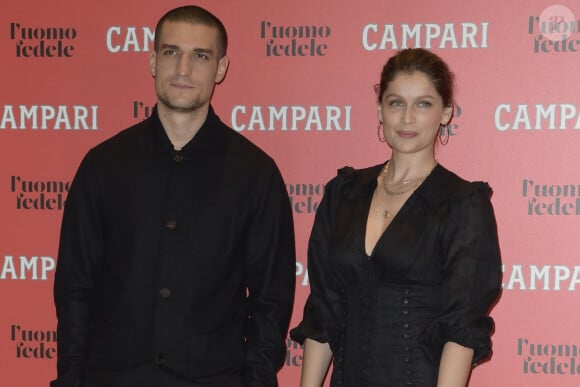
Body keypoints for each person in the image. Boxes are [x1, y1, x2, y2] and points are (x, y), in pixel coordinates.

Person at [51, 5, 296, 387]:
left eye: (200, 56)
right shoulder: (103, 166)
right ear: (152, 61)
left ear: (221, 68)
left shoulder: (256, 175)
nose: (183, 69)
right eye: (171, 52)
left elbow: (271, 300)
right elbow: (75, 286)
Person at [290, 48, 502, 387]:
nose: (407, 119)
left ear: (446, 112)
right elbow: (324, 309)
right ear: (380, 109)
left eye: (423, 104)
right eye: (396, 103)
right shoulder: (342, 194)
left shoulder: (462, 204)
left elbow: (461, 327)